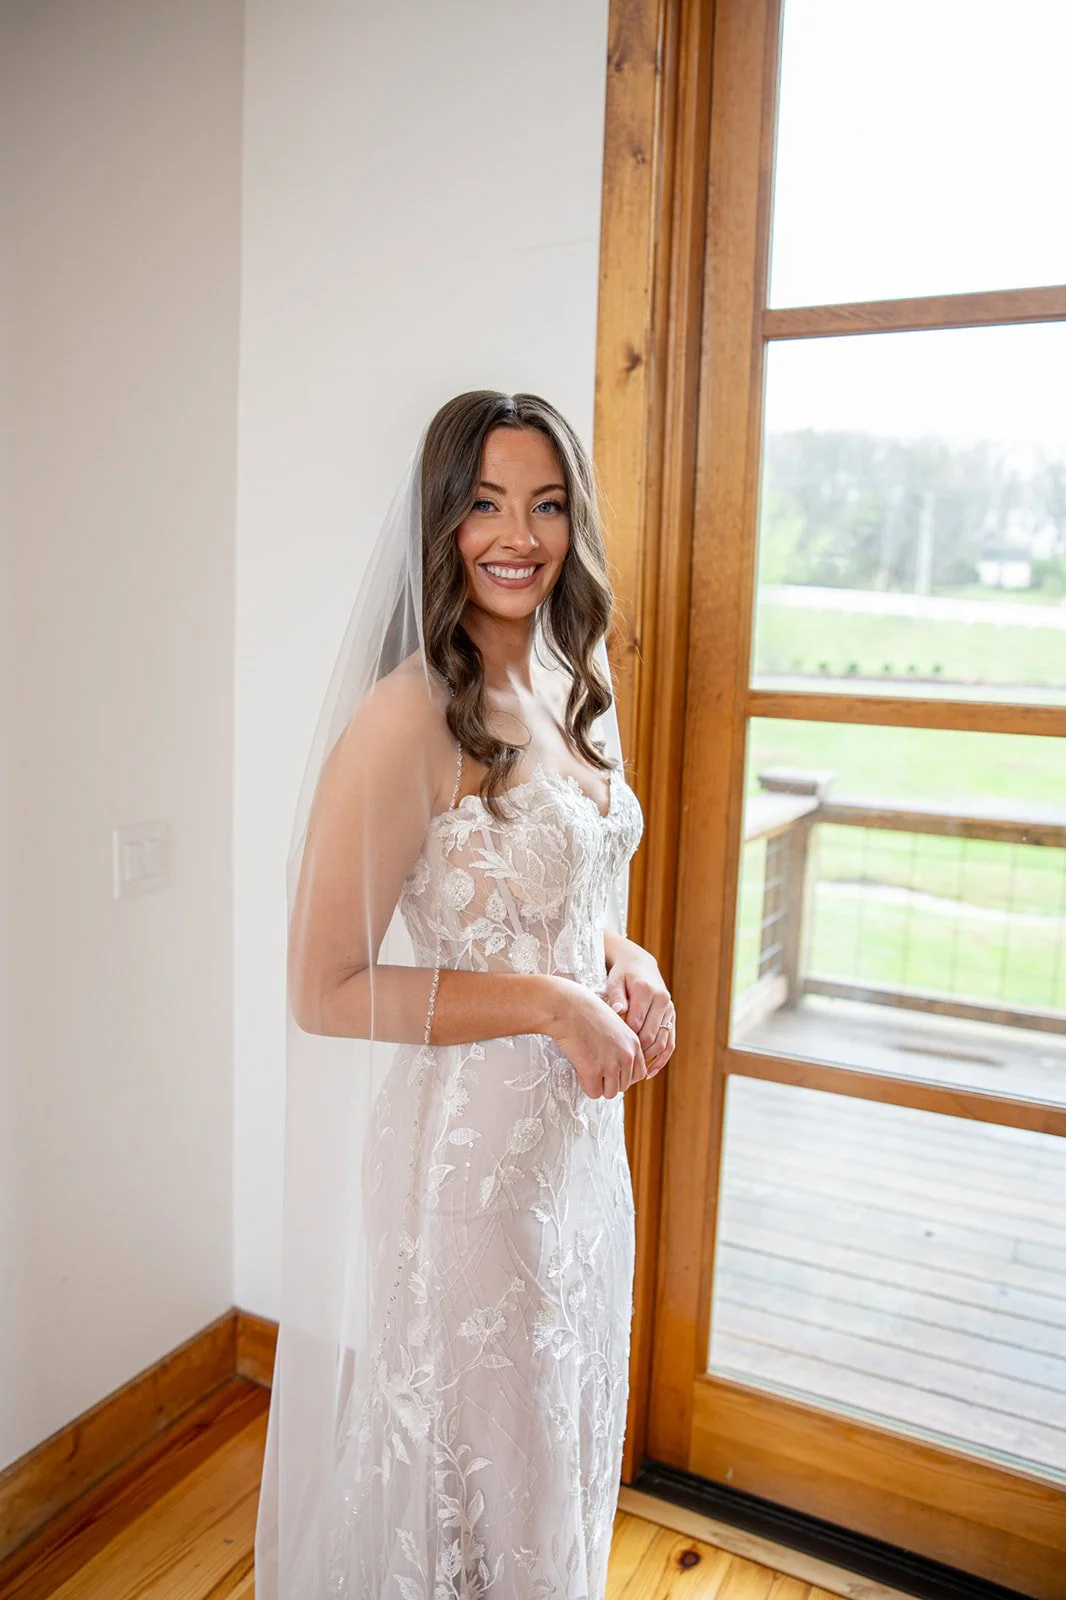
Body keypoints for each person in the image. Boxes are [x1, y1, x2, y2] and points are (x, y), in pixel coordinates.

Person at [255, 390, 676, 1599]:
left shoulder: (566, 680)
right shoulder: (403, 720)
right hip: (467, 1181)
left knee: (557, 1463)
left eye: (546, 503)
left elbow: (555, 895)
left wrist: (622, 959)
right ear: (440, 521)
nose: (518, 534)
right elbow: (324, 987)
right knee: (484, 1492)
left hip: (577, 1163)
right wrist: (553, 1004)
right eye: (485, 502)